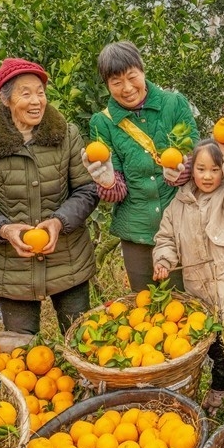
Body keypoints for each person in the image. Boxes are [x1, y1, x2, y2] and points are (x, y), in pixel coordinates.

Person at [0, 58, 99, 337]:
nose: (36, 100)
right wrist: (5, 229)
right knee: (22, 351)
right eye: (26, 93)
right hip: (12, 268)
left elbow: (87, 190)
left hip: (68, 260)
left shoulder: (67, 135)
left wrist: (60, 221)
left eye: (40, 92)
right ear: (5, 99)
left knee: (82, 340)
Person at [84, 41, 200, 292]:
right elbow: (118, 192)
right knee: (146, 307)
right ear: (107, 85)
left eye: (131, 77)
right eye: (116, 82)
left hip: (181, 224)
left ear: (142, 70)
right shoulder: (102, 123)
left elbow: (197, 157)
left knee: (190, 304)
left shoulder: (174, 104)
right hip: (136, 232)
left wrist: (182, 171)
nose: (127, 88)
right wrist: (107, 182)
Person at [153, 138, 224, 415]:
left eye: (215, 169)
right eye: (201, 169)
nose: (208, 176)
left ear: (223, 171)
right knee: (214, 343)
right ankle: (222, 386)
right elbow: (166, 238)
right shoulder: (179, 204)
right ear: (191, 170)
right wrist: (163, 260)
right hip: (199, 289)